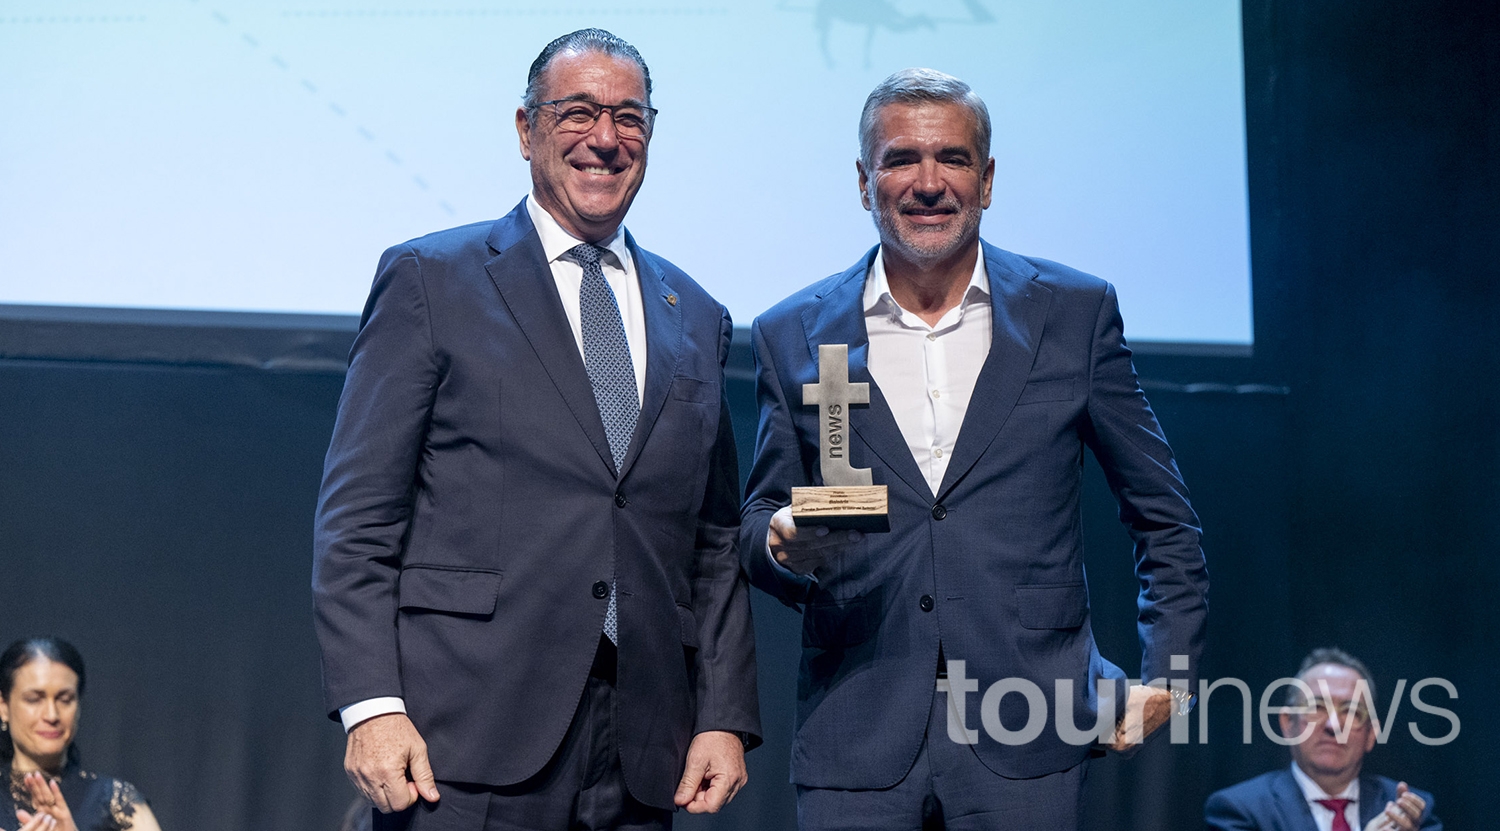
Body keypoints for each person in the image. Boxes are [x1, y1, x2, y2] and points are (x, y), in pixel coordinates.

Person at [312, 28, 760, 831]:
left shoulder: (694, 313)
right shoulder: (431, 280)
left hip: (642, 745)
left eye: (629, 117)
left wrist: (723, 712)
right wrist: (370, 704)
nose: (604, 138)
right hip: (464, 735)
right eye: (578, 112)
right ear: (526, 130)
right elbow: (359, 518)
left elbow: (716, 539)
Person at [739, 68, 1209, 829]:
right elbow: (761, 516)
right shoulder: (792, 331)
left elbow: (1164, 517)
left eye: (952, 159)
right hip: (856, 732)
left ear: (986, 180)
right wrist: (782, 543)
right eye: (900, 160)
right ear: (864, 181)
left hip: (1031, 731)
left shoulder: (1074, 314)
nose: (928, 183)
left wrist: (1173, 676)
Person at [1204, 648, 1441, 831]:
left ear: (1371, 734)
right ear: (1288, 724)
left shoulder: (1411, 813)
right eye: (1317, 707)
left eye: (1351, 712)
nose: (1333, 726)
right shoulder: (1239, 810)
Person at [0, 638, 163, 831]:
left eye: (65, 699)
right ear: (3, 706)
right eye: (34, 699)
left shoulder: (117, 801)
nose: (52, 715)